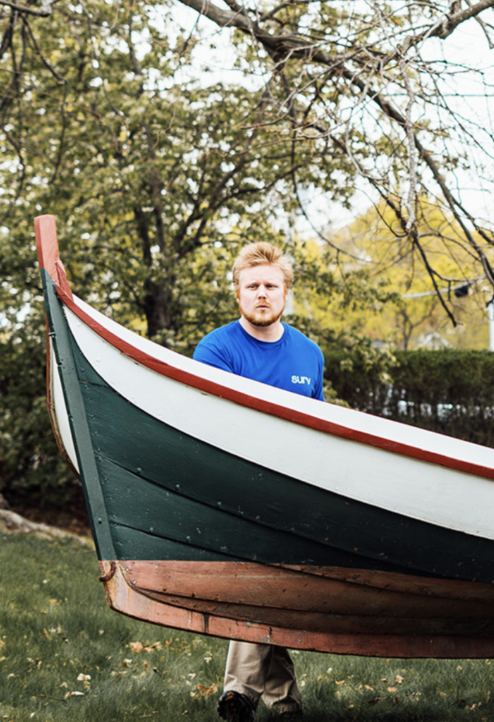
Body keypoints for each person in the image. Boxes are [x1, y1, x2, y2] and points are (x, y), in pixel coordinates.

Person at [193, 241, 325, 722]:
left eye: (271, 285)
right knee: (261, 583)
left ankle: (283, 703)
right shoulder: (216, 349)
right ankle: (242, 695)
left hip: (293, 493)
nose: (262, 294)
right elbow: (217, 425)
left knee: (268, 588)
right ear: (238, 295)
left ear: (286, 292)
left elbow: (318, 430)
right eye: (253, 287)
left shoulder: (309, 355)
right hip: (238, 490)